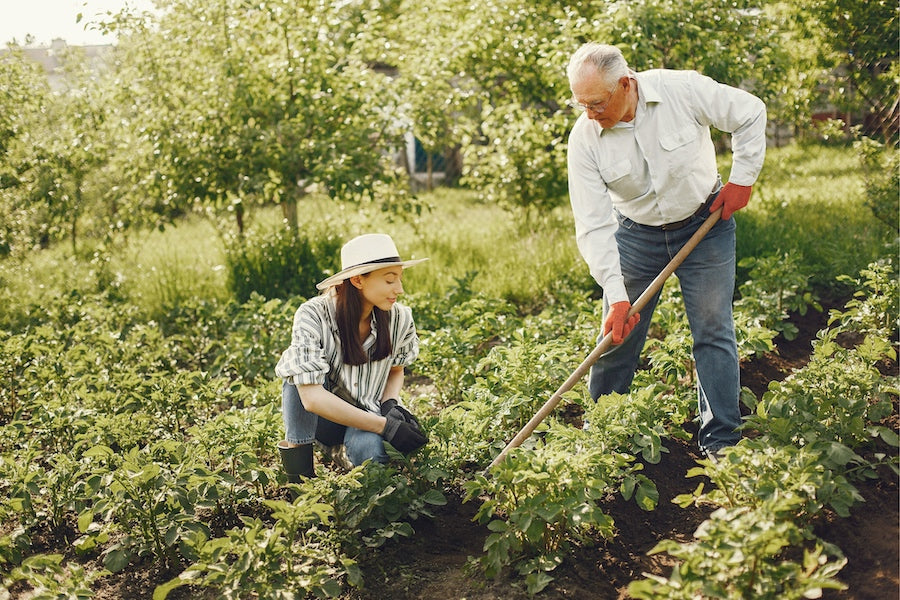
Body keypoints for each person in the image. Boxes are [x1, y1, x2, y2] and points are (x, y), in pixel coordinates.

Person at [565, 43, 766, 457]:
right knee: (617, 334)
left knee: (713, 329)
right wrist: (617, 296)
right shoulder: (585, 139)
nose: (589, 113)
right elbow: (593, 223)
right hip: (635, 236)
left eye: (597, 103)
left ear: (626, 84)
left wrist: (742, 179)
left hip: (705, 223)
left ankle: (722, 441)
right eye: (580, 104)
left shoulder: (681, 90)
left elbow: (750, 112)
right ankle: (602, 434)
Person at [275, 233, 429, 484]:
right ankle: (299, 480)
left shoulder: (400, 318)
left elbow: (396, 369)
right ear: (358, 280)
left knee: (371, 455)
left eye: (400, 279)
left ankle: (349, 461)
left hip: (368, 414)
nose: (399, 289)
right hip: (323, 420)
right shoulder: (314, 315)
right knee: (296, 376)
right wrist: (384, 427)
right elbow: (311, 399)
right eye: (390, 280)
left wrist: (389, 405)